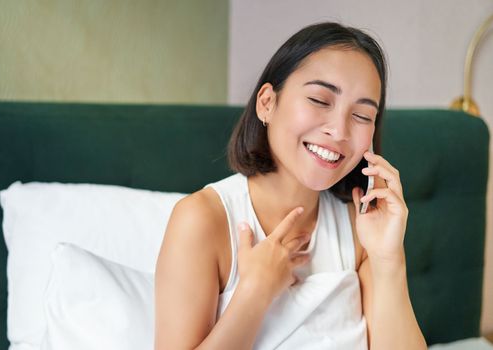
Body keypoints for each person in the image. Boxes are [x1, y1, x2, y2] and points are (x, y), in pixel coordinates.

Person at [154, 22, 427, 350]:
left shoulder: (360, 228)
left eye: (362, 116)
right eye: (320, 99)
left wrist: (388, 259)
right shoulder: (202, 220)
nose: (339, 131)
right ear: (267, 102)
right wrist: (256, 291)